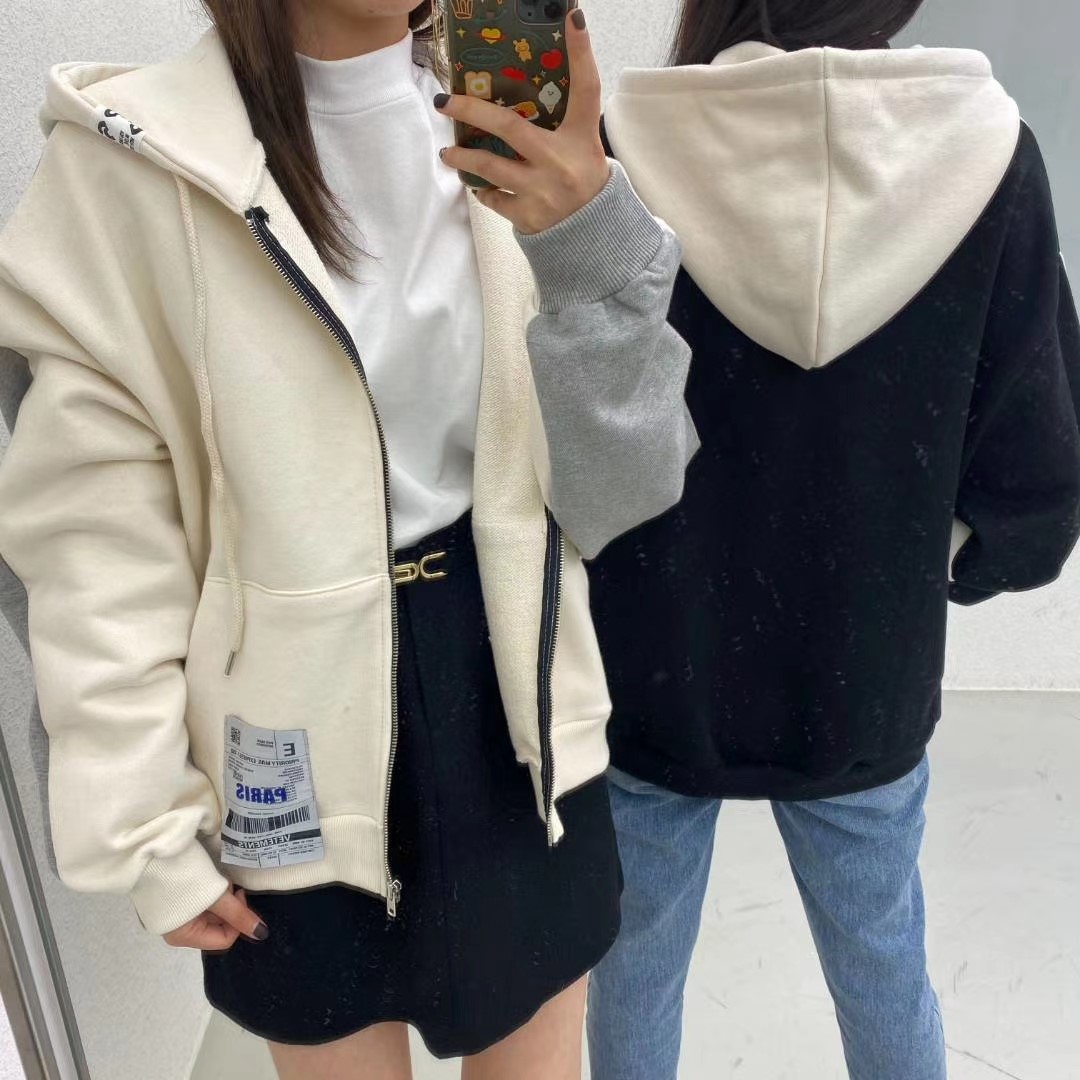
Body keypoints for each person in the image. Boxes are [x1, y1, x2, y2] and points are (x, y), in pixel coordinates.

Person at [0, 2, 697, 1077]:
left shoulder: (530, 134)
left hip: (515, 694)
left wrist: (588, 235)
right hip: (283, 723)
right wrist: (143, 823)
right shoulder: (127, 168)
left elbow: (625, 495)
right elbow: (95, 548)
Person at [581, 1, 1080, 1078]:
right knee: (883, 962)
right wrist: (934, 560)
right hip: (867, 665)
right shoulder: (986, 148)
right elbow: (1036, 452)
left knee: (633, 972)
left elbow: (574, 414)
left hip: (654, 650)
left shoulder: (622, 144)